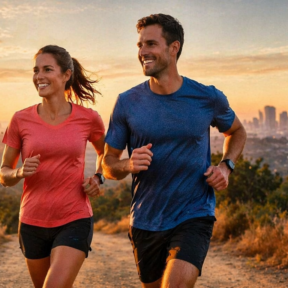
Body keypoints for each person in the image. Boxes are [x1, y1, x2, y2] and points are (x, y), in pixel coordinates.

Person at [102, 14, 247, 288]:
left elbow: (237, 131)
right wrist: (127, 165)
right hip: (146, 219)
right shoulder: (126, 103)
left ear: (174, 47)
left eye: (151, 44)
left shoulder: (207, 97)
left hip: (194, 213)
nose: (142, 52)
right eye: (140, 45)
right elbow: (107, 164)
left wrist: (226, 166)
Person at [0, 45, 106, 288]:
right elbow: (4, 173)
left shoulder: (88, 118)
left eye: (48, 69)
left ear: (66, 74)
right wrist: (18, 172)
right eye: (36, 70)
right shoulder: (20, 119)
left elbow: (106, 153)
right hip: (32, 221)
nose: (39, 76)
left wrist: (98, 178)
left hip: (74, 217)